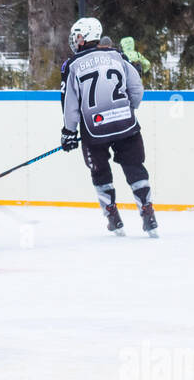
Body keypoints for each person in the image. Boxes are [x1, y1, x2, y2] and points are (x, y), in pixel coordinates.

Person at [60, 17, 157, 236]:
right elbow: (137, 89)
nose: (75, 40)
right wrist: (128, 108)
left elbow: (70, 104)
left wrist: (68, 131)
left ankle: (113, 216)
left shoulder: (72, 65)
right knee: (134, 167)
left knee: (100, 171)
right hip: (126, 123)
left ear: (84, 37)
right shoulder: (119, 57)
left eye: (77, 36)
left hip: (95, 129)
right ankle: (147, 210)